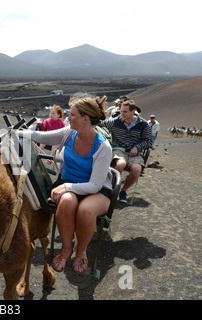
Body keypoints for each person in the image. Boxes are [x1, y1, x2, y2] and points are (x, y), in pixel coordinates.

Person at [20, 95, 113, 275]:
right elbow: (39, 135)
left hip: (97, 189)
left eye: (72, 115)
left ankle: (81, 251)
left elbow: (94, 185)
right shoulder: (69, 133)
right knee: (67, 202)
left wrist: (68, 188)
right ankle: (65, 249)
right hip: (70, 182)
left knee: (86, 210)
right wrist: (14, 133)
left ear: (85, 119)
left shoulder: (103, 147)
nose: (67, 118)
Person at [99, 99, 153, 203]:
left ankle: (123, 191)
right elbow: (101, 124)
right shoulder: (115, 122)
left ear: (133, 112)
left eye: (125, 112)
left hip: (135, 152)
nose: (121, 114)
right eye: (121, 111)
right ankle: (111, 188)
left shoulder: (143, 124)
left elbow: (149, 141)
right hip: (119, 149)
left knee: (137, 169)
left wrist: (137, 147)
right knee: (120, 164)